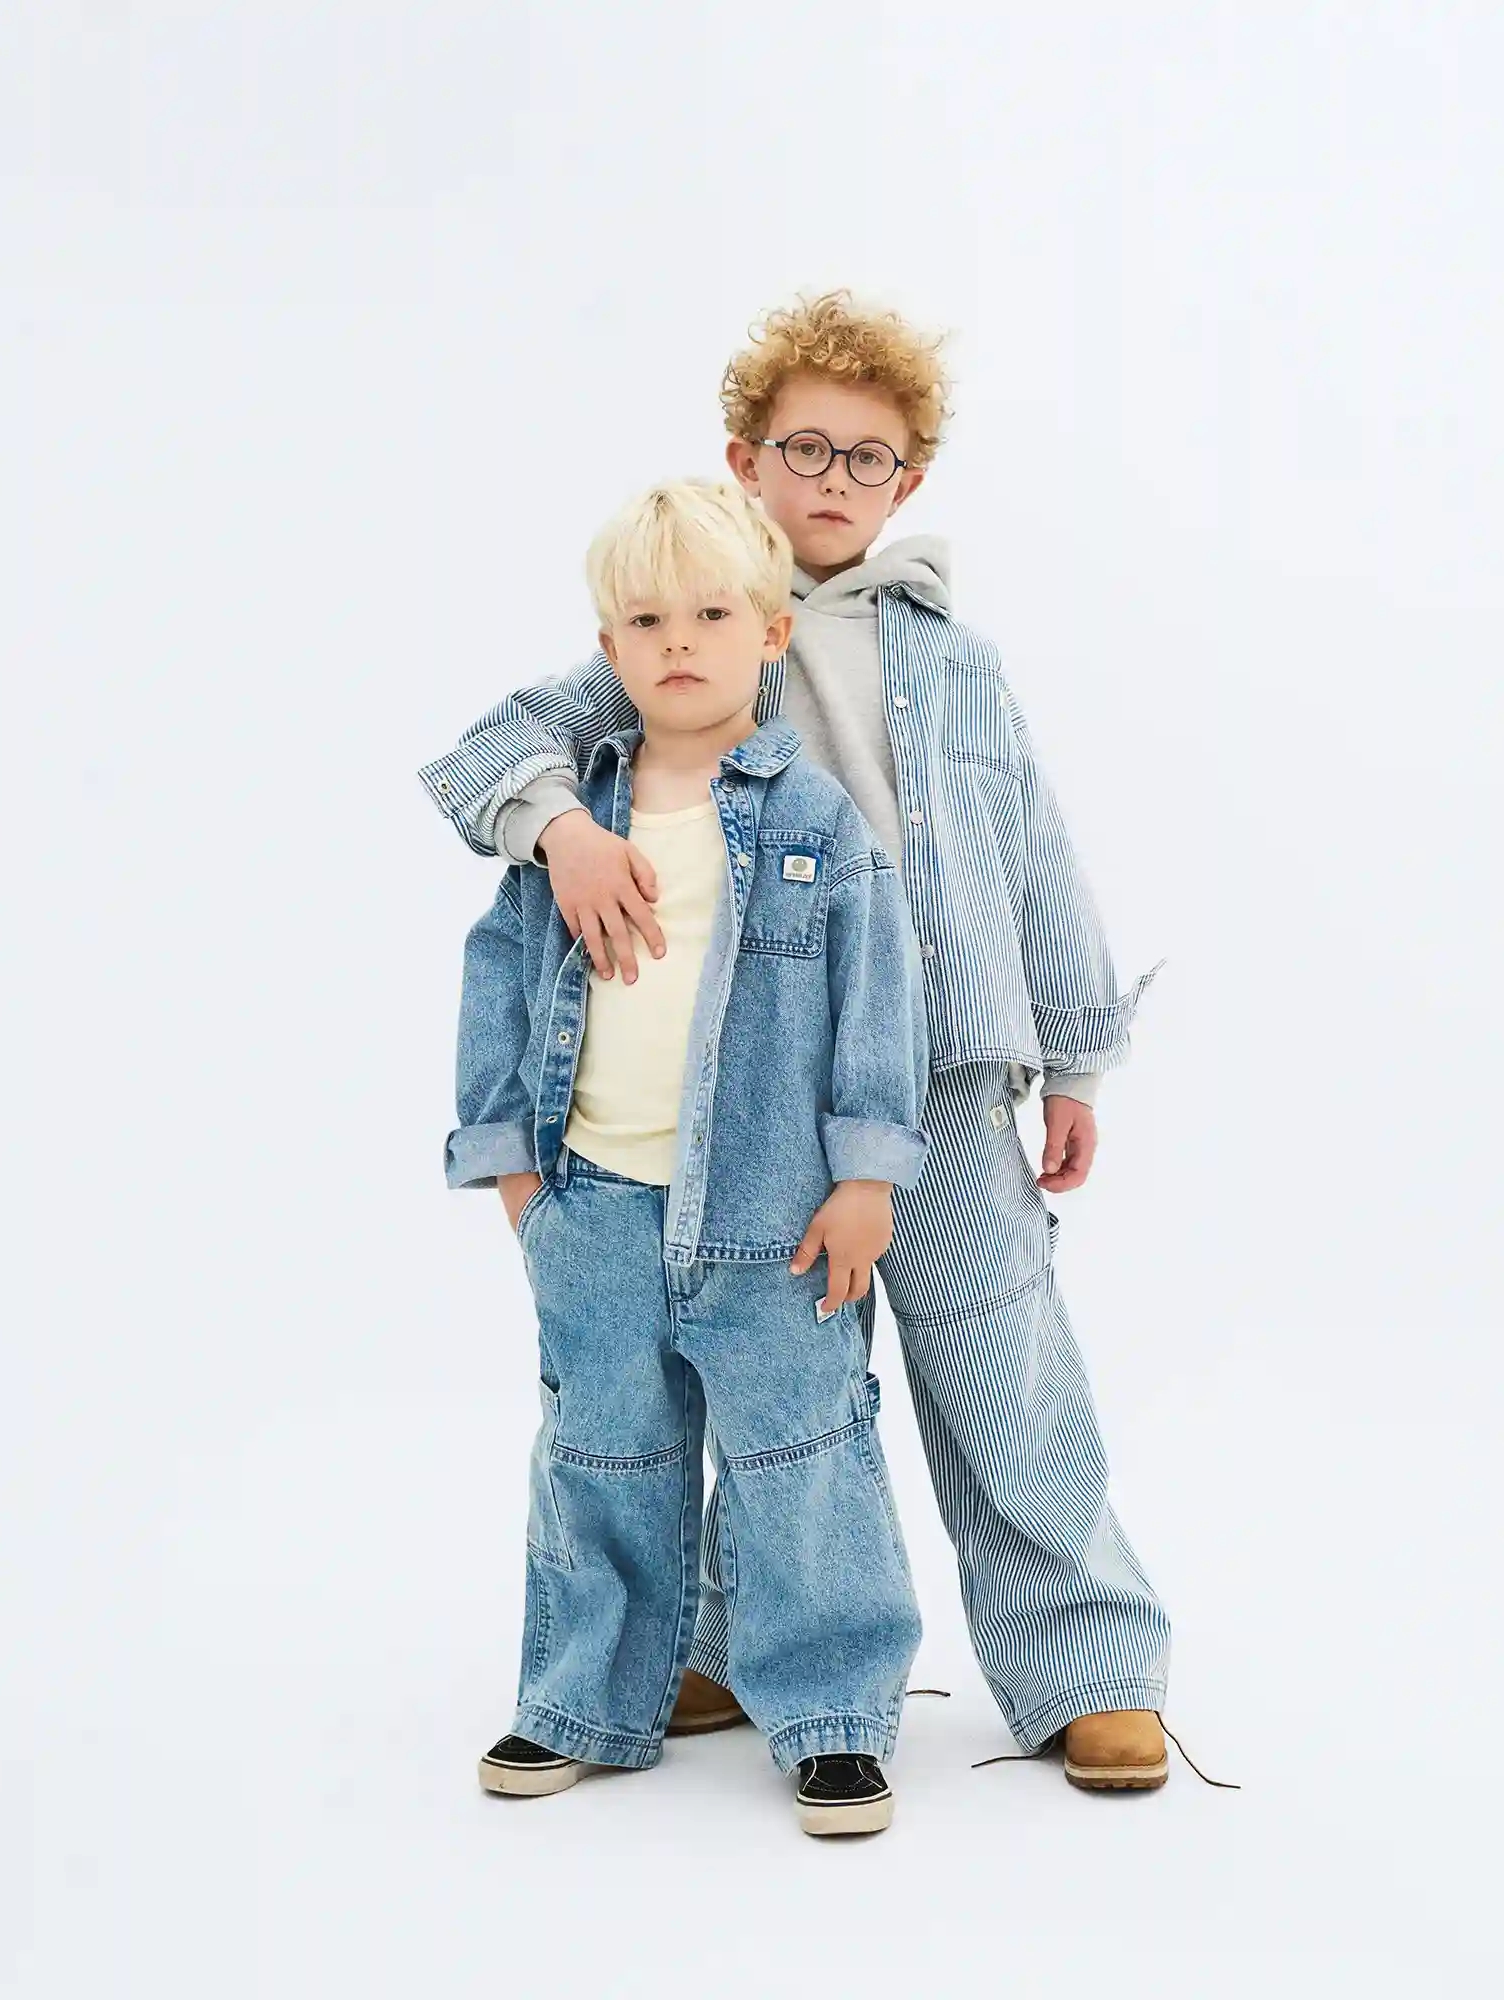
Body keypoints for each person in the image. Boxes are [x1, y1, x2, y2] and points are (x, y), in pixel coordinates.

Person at [424, 292, 1173, 1789]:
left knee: (1004, 1371)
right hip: (740, 1090)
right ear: (747, 460)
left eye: (868, 458)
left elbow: (1032, 851)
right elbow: (491, 748)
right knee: (753, 1376)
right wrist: (563, 829)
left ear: (910, 482)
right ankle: (715, 1642)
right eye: (805, 449)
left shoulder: (955, 662)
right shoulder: (700, 619)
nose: (834, 480)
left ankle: (1087, 1659)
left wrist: (1074, 1056)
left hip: (939, 1067)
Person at [448, 480, 928, 1835]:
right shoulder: (570, 827)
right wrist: (516, 1171)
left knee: (802, 1457)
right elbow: (499, 979)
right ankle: (581, 1703)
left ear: (771, 632)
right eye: (648, 621)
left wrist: (866, 1179)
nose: (679, 643)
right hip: (595, 1202)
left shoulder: (813, 819)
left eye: (712, 615)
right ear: (609, 648)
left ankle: (832, 1719)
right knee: (602, 1454)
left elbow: (875, 999)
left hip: (774, 1221)